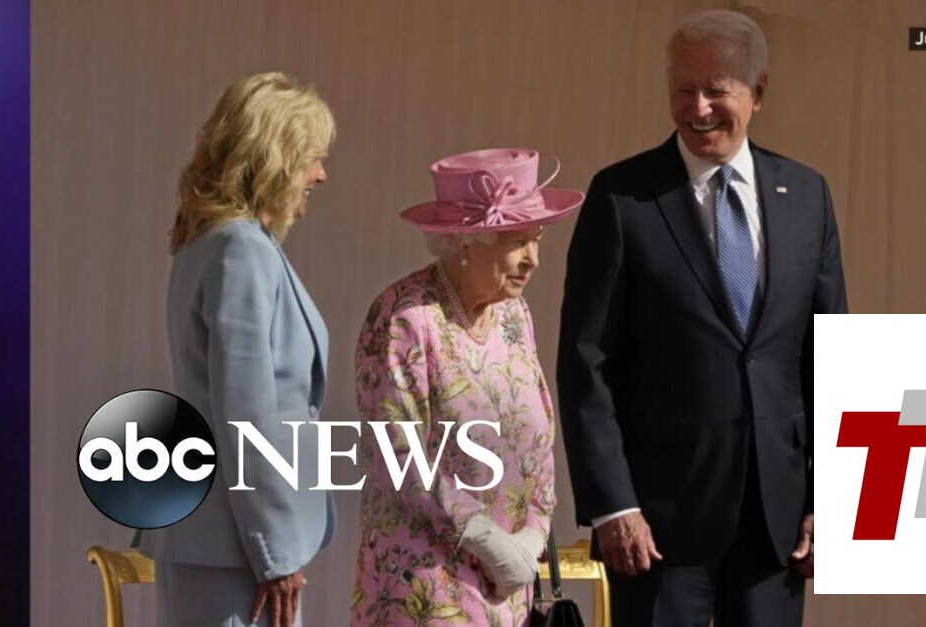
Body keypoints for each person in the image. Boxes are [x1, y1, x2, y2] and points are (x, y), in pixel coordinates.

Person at [557, 9, 847, 627]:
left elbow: (832, 358)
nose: (698, 108)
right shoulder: (623, 197)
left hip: (776, 524)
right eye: (683, 90)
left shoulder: (807, 196)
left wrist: (833, 499)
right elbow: (587, 362)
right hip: (657, 526)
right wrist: (612, 505)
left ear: (758, 91)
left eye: (717, 89)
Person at [134, 72, 337, 627]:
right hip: (237, 547)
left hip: (224, 539)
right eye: (311, 157)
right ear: (274, 158)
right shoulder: (241, 248)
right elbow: (244, 413)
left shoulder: (212, 243)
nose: (321, 174)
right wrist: (275, 551)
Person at [350, 148, 582, 626]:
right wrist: (486, 540)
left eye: (537, 240)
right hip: (427, 587)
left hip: (509, 591)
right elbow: (399, 454)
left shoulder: (514, 314)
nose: (533, 260)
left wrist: (533, 535)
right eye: (518, 242)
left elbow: (539, 430)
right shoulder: (404, 318)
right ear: (465, 242)